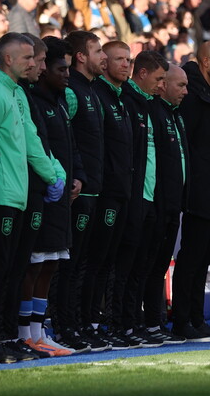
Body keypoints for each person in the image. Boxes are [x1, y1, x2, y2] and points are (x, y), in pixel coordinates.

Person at [0, 33, 62, 364]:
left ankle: (4, 336)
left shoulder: (15, 93)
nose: (33, 62)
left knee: (10, 272)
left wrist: (54, 173)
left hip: (16, 194)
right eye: (27, 58)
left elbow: (30, 141)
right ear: (8, 60)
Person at [24, 38, 85, 356]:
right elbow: (38, 148)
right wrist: (52, 179)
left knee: (51, 263)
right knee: (34, 264)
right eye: (61, 68)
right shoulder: (32, 99)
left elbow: (69, 144)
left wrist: (77, 176)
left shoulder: (60, 101)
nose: (66, 75)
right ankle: (26, 332)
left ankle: (39, 330)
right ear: (43, 67)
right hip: (40, 193)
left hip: (60, 193)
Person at [172, 40, 210, 342]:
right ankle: (183, 321)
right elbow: (188, 148)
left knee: (203, 259)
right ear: (205, 61)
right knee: (191, 259)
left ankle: (196, 318)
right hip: (196, 191)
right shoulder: (192, 97)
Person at [52, 31, 108, 352]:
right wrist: (75, 178)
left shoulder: (89, 90)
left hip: (94, 190)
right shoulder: (72, 91)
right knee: (69, 263)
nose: (102, 56)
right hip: (79, 191)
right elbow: (66, 141)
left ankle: (81, 323)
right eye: (97, 50)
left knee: (84, 262)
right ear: (82, 56)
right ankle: (64, 326)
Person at [82, 40, 134, 346]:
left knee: (109, 261)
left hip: (120, 192)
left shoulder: (120, 97)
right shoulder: (98, 94)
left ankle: (105, 323)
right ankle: (87, 322)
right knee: (94, 261)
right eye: (119, 59)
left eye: (128, 59)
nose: (125, 64)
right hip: (102, 193)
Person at [116, 50, 168, 345]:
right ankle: (121, 323)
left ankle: (133, 322)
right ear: (143, 73)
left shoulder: (147, 105)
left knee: (141, 266)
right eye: (159, 78)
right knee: (126, 267)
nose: (161, 85)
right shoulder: (128, 100)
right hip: (133, 196)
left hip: (149, 196)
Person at [138, 63, 190, 344]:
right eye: (179, 85)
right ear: (163, 85)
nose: (185, 91)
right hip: (156, 202)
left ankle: (155, 322)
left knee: (159, 266)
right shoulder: (154, 112)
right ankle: (146, 322)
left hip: (172, 204)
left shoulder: (174, 114)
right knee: (148, 265)